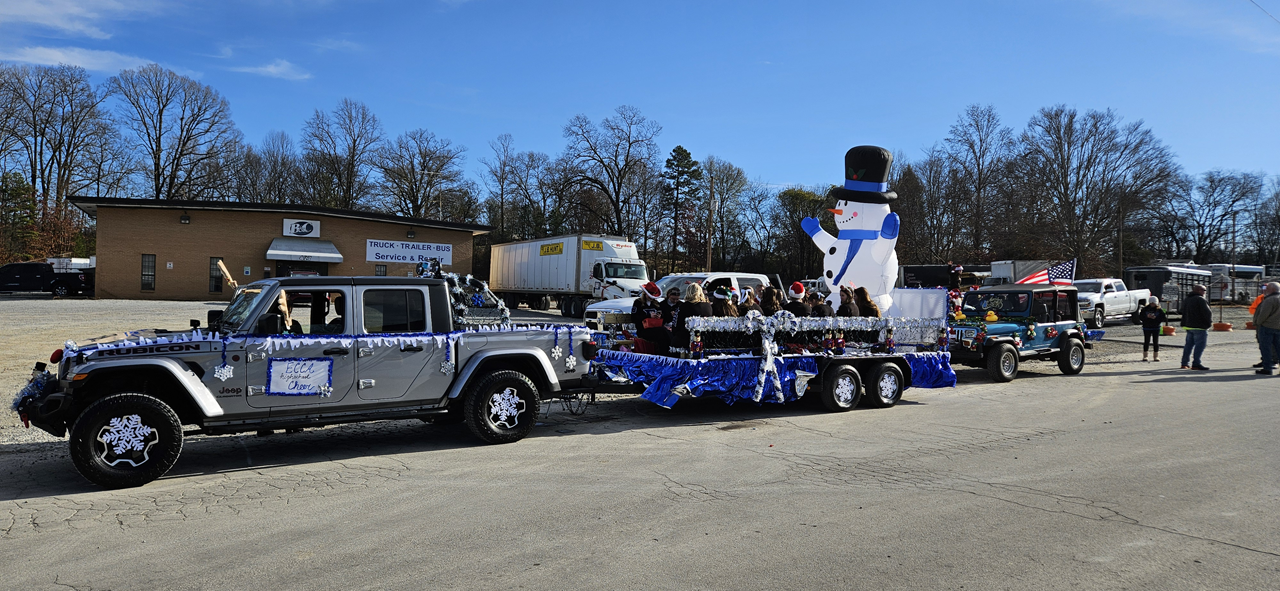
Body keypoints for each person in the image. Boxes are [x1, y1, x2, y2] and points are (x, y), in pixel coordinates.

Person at [631, 281, 670, 356]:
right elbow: (634, 318)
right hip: (643, 330)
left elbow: (664, 317)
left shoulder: (656, 304)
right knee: (662, 332)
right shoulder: (638, 302)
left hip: (655, 328)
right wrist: (648, 316)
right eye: (650, 296)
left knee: (664, 332)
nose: (652, 298)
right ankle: (663, 354)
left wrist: (659, 316)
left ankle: (666, 353)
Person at [1179, 284, 1212, 370]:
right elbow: (1207, 313)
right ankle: (1196, 363)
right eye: (1204, 290)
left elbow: (1182, 311)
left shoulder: (1187, 299)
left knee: (1188, 345)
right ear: (1199, 290)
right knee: (1200, 346)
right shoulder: (1200, 299)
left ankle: (1184, 363)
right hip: (1200, 326)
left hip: (1189, 326)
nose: (1205, 292)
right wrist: (1208, 324)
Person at [673, 283, 713, 349]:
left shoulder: (683, 307)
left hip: (686, 341)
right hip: (705, 340)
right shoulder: (708, 306)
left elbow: (676, 326)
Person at [1253, 282, 1280, 375]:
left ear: (1272, 289)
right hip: (1278, 327)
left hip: (1267, 327)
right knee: (1278, 348)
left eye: (1267, 288)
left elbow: (1263, 314)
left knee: (1266, 349)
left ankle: (1267, 368)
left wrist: (1257, 323)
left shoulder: (1270, 300)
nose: (1265, 290)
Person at [1138, 296, 1166, 362]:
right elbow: (1141, 317)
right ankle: (1145, 356)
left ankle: (1156, 356)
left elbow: (1163, 318)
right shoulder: (1145, 309)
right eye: (1152, 303)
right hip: (1147, 327)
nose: (1153, 304)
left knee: (1155, 342)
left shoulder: (1159, 310)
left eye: (1154, 303)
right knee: (1146, 341)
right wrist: (1147, 317)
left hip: (1156, 327)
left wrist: (1155, 318)